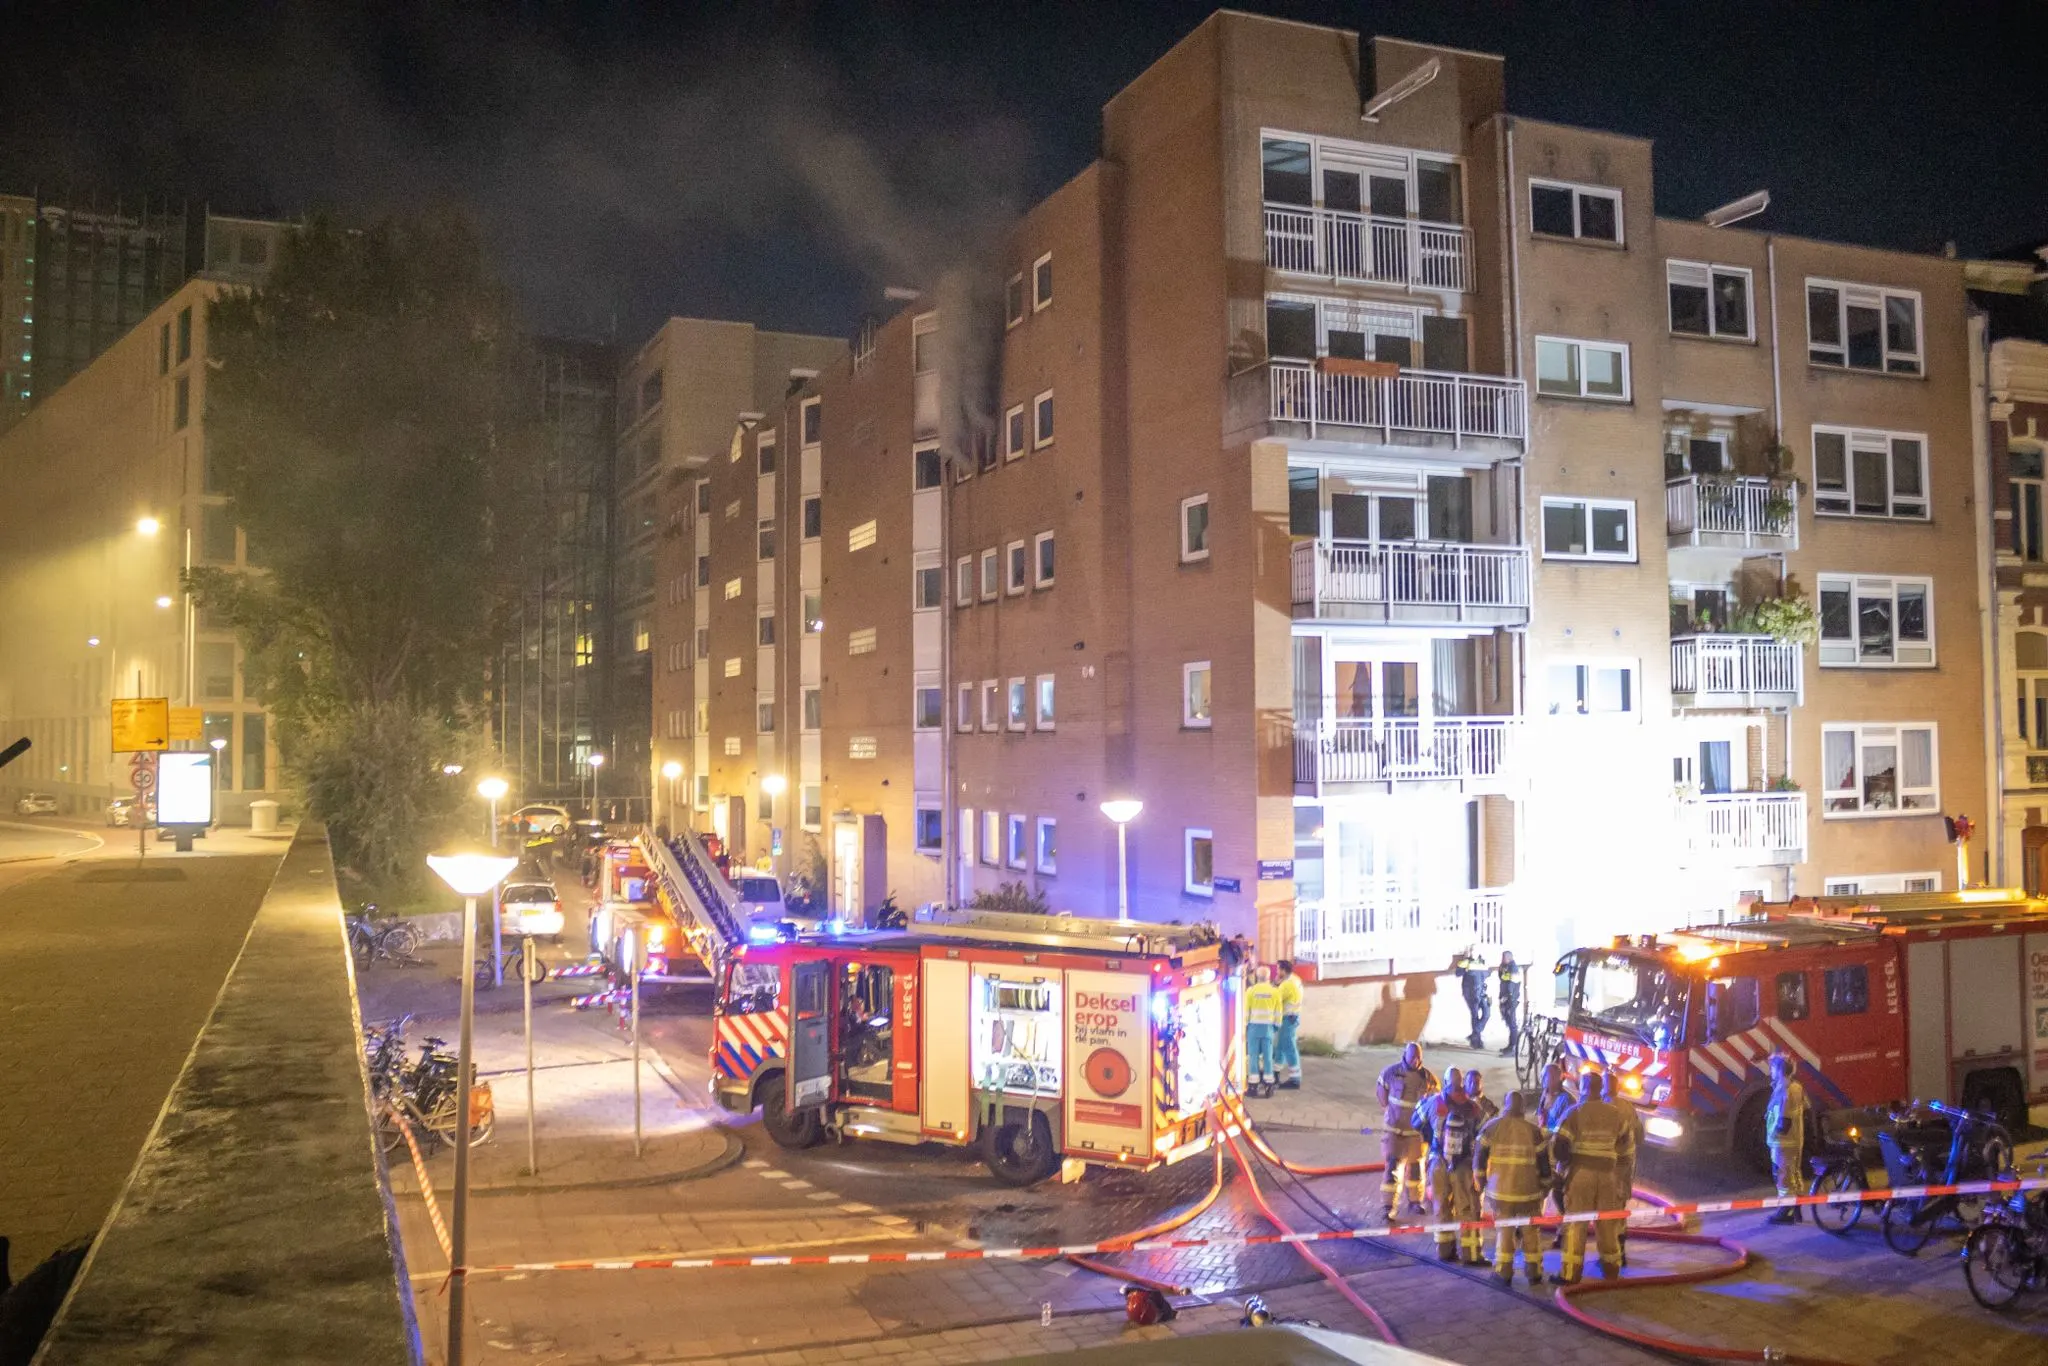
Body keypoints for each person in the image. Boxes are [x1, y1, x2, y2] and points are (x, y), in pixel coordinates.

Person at [1552, 1070, 1634, 1283]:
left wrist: (1563, 1170)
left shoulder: (1574, 1112)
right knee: (1607, 1226)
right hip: (1608, 1177)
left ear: (1583, 1088)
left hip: (1581, 1176)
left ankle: (1570, 1274)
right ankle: (1612, 1271)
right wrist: (1621, 1178)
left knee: (1576, 1225)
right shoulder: (1617, 1114)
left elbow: (1559, 1147)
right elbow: (1626, 1150)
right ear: (1600, 1089)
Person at [1477, 1090, 1548, 1286]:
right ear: (1523, 1108)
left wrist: (1481, 1183)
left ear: (1505, 1105)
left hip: (1500, 1192)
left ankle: (1503, 1271)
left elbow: (1479, 1158)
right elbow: (1545, 1165)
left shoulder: (1491, 1127)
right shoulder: (1534, 1131)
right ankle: (1534, 1272)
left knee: (1505, 1232)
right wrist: (1546, 1186)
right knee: (1531, 1232)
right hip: (1529, 1193)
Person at [1415, 1066, 1485, 1263]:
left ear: (1445, 1083)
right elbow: (1484, 1135)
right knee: (1467, 1208)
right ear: (1462, 1084)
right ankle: (1470, 1254)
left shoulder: (1433, 1102)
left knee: (1441, 1206)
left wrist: (1432, 1137)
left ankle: (1445, 1251)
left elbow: (1415, 1122)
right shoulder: (1473, 1107)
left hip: (1438, 1161)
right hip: (1463, 1165)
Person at [1375, 1043, 1438, 1221]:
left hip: (1416, 1135)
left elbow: (1435, 1104)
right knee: (1392, 1168)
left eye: (1418, 1057)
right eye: (1412, 1057)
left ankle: (1415, 1202)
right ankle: (1389, 1206)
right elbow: (1382, 1093)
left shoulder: (1429, 1079)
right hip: (1395, 1131)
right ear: (1405, 1055)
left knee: (1417, 1168)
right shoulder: (1390, 1073)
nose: (1415, 1060)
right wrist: (1390, 1112)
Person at [1764, 1052, 1809, 1225]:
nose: (1771, 1071)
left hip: (1783, 1142)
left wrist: (1774, 1134)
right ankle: (1797, 1209)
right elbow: (1805, 1107)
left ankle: (1784, 1211)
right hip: (1795, 1139)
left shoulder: (1785, 1090)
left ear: (1779, 1069)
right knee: (1794, 1173)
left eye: (1773, 1068)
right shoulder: (1796, 1087)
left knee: (1782, 1176)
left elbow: (1784, 1121)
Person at [1244, 965, 1281, 1098]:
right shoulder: (1275, 992)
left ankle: (1253, 1086)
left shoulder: (1251, 991)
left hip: (1254, 1028)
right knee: (1268, 1056)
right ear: (1269, 977)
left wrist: (1245, 1025)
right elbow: (1278, 1011)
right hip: (1268, 1028)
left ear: (1256, 977)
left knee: (1253, 1056)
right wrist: (1277, 1025)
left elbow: (1246, 1010)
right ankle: (1268, 1084)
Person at [1273, 960, 1304, 1089]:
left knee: (1289, 1047)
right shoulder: (1296, 980)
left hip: (1287, 1018)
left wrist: (1275, 984)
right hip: (1293, 1017)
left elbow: (1275, 998)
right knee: (1280, 1046)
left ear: (1283, 970)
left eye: (1278, 969)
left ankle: (1295, 1079)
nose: (1277, 972)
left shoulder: (1286, 984)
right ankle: (1275, 1073)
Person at [1454, 947, 1491, 1049]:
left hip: (1482, 992)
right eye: (1471, 951)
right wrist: (1464, 963)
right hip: (1470, 993)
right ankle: (1477, 1042)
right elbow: (1458, 973)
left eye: (1475, 951)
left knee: (1487, 1014)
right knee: (1474, 1015)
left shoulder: (1482, 962)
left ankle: (1475, 1034)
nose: (1473, 953)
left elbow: (1488, 973)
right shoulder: (1466, 963)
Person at [1496, 951, 1523, 1058]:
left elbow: (1509, 981)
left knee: (1512, 1024)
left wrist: (1503, 972)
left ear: (1508, 958)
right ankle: (1510, 1045)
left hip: (1511, 1000)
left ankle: (1513, 1049)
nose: (1502, 959)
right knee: (1509, 1023)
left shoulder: (1513, 968)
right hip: (1506, 999)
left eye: (1503, 958)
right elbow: (1501, 977)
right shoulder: (1506, 967)